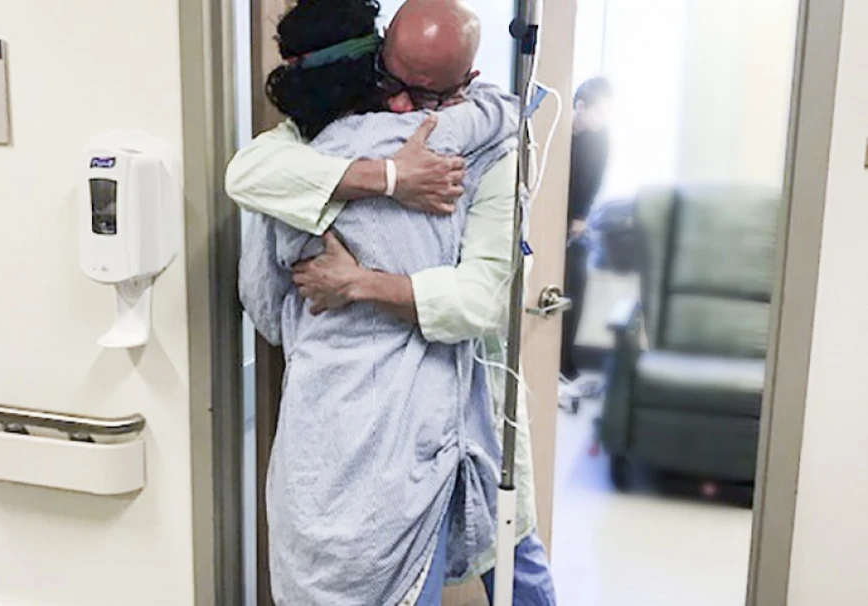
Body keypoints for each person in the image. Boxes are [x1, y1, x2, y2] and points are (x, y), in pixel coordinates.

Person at [228, 1, 556, 604]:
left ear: (467, 84)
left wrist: (357, 284)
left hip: (455, 399)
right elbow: (245, 173)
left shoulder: (491, 156)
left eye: (425, 97)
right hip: (384, 423)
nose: (402, 108)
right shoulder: (323, 138)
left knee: (515, 556)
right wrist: (386, 178)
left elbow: (481, 302)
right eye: (393, 84)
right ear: (377, 57)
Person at [561, 76, 612, 384]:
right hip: (551, 216)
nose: (602, 118)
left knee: (573, 289)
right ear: (580, 106)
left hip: (579, 223)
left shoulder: (601, 138)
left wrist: (580, 217)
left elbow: (594, 181)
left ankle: (565, 363)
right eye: (599, 111)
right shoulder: (560, 133)